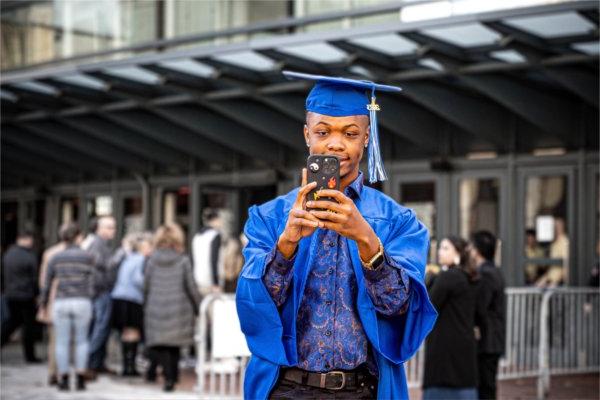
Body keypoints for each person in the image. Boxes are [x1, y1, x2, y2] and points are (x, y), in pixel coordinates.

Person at [236, 71, 437, 399]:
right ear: (307, 135)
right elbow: (255, 306)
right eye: (323, 131)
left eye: (350, 132)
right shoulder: (269, 218)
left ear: (367, 137)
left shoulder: (398, 221)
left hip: (360, 389)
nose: (335, 143)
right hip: (284, 387)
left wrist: (367, 240)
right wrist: (286, 245)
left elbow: (399, 307)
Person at [143, 224, 201, 392]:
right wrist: (198, 307)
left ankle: (169, 378)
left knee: (162, 345)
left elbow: (146, 285)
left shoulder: (151, 260)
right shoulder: (183, 259)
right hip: (179, 308)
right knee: (174, 345)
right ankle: (172, 378)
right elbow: (191, 286)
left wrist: (145, 304)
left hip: (156, 307)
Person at [423, 236, 481, 400]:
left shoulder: (448, 277)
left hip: (445, 348)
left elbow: (430, 304)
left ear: (459, 253)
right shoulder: (468, 276)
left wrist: (431, 279)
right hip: (464, 346)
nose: (440, 251)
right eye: (440, 247)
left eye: (446, 248)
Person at [41, 223, 95, 391]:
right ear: (78, 237)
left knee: (61, 342)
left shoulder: (56, 257)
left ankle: (63, 379)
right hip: (82, 300)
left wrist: (43, 304)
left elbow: (47, 283)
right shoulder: (87, 256)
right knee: (81, 341)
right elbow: (94, 280)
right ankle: (79, 378)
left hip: (61, 301)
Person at [470, 230, 506, 400]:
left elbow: (480, 307)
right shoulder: (493, 271)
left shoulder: (486, 274)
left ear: (477, 251)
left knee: (485, 388)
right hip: (491, 339)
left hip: (487, 341)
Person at [111, 232, 153, 377]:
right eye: (148, 246)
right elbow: (138, 280)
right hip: (132, 299)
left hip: (118, 297)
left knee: (125, 333)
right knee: (133, 332)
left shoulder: (128, 258)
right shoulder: (141, 259)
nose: (151, 249)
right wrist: (149, 286)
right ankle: (130, 367)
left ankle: (125, 366)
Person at [83, 215, 117, 378]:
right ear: (99, 228)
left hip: (101, 291)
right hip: (99, 291)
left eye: (113, 227)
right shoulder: (96, 244)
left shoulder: (101, 244)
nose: (113, 231)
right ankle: (89, 363)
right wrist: (122, 253)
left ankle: (97, 363)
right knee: (100, 328)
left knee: (101, 328)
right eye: (109, 227)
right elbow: (104, 265)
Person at [0, 230, 40, 363]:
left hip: (11, 294)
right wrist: (37, 294)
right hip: (26, 295)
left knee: (12, 322)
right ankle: (30, 356)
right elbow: (34, 278)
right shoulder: (30, 256)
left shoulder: (8, 254)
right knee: (29, 326)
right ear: (27, 239)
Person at [36, 228, 68, 385]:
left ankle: (53, 372)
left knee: (55, 340)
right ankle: (64, 373)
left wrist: (43, 302)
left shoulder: (50, 253)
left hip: (54, 301)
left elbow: (43, 282)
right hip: (70, 300)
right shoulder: (80, 253)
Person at [192, 209, 223, 295]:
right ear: (215, 220)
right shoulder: (215, 235)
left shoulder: (197, 236)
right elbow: (214, 260)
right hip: (210, 282)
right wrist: (216, 283)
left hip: (197, 279)